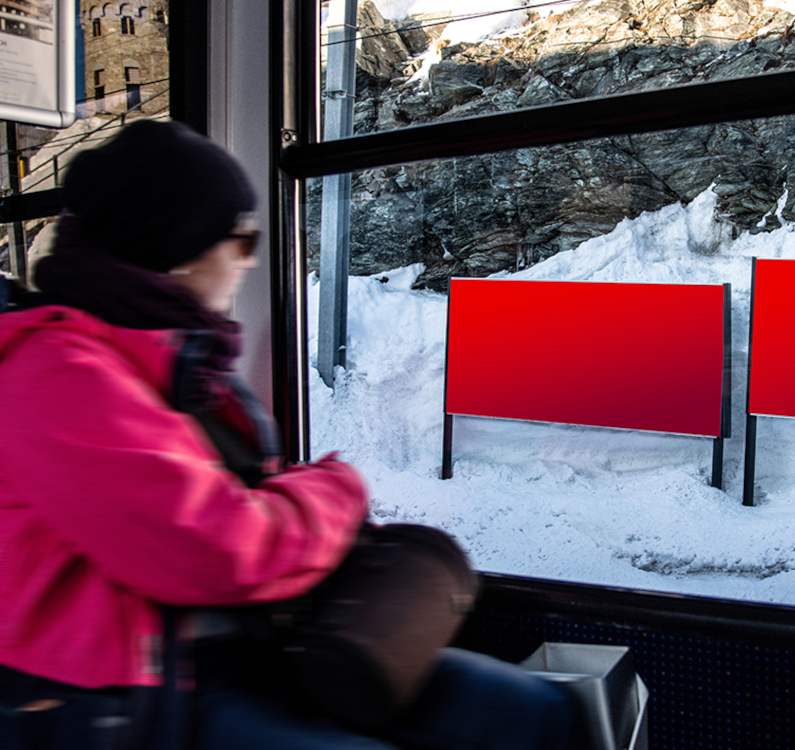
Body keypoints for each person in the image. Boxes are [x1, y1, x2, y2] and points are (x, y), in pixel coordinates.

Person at [0, 120, 576, 750]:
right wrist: (337, 488)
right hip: (123, 694)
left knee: (529, 711)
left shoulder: (169, 357)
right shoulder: (58, 373)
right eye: (240, 238)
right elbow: (215, 551)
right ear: (183, 249)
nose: (250, 257)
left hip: (241, 645)